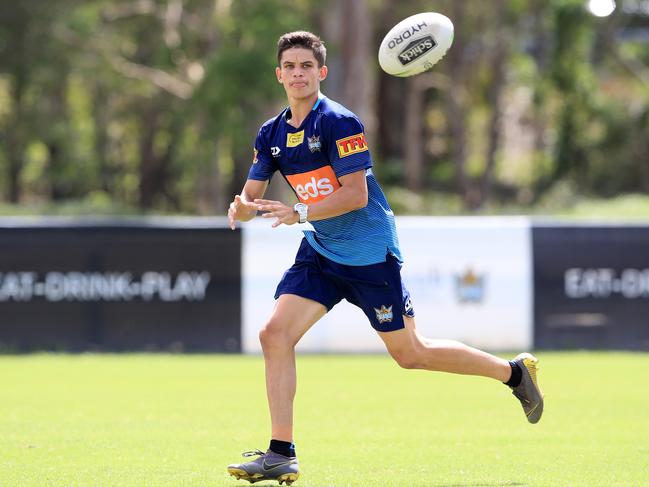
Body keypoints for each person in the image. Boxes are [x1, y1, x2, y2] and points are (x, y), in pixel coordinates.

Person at [226, 31, 543, 486]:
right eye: (290, 66)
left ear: (322, 73)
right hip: (320, 251)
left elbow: (354, 196)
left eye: (306, 66)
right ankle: (280, 453)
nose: (298, 73)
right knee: (274, 333)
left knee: (411, 354)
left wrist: (298, 211)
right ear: (279, 75)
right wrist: (241, 207)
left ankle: (513, 373)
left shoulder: (340, 121)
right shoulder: (272, 133)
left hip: (370, 254)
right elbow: (252, 195)